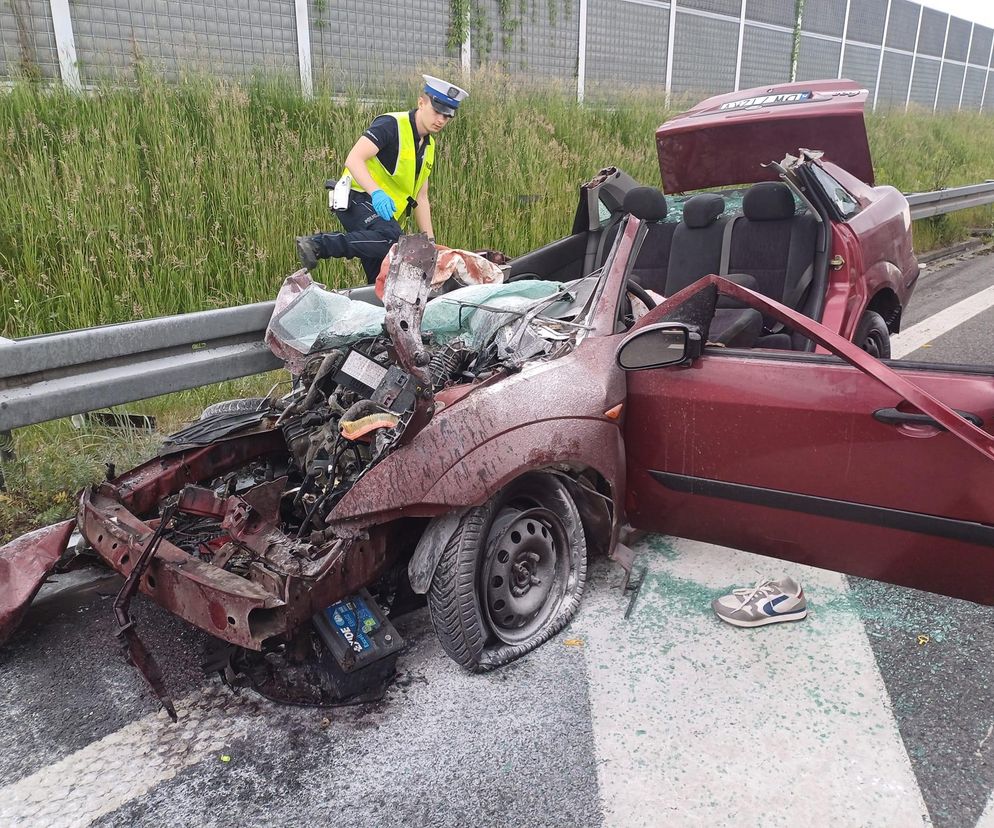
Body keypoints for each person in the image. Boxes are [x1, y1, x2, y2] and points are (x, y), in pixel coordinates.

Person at [295, 75, 468, 284]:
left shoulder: (428, 148)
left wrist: (430, 244)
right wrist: (376, 192)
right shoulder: (391, 124)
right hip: (357, 198)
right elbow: (354, 158)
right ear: (421, 102)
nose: (441, 119)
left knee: (385, 283)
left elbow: (421, 198)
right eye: (437, 111)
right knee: (394, 241)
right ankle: (316, 244)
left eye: (447, 116)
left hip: (382, 216)